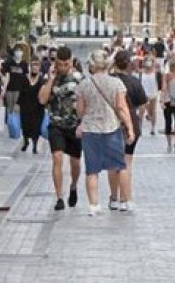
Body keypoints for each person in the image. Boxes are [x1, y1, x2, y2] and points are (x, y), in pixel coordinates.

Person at [75, 50, 135, 216]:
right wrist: (130, 127)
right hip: (112, 128)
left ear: (92, 65)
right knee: (120, 166)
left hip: (90, 130)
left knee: (92, 170)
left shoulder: (84, 85)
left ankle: (93, 205)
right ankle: (126, 201)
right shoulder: (116, 83)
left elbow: (79, 111)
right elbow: (122, 108)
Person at [39, 45, 83, 211]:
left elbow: (86, 101)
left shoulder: (79, 78)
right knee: (57, 157)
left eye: (65, 64)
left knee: (75, 162)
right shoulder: (50, 77)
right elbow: (42, 100)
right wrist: (50, 79)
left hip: (74, 126)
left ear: (70, 62)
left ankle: (73, 186)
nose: (62, 68)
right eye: (59, 64)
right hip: (56, 124)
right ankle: (59, 197)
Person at [108, 50, 147, 212]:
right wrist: (139, 121)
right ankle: (126, 199)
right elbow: (142, 104)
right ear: (129, 64)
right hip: (131, 122)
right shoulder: (134, 82)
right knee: (126, 162)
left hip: (111, 124)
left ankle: (114, 197)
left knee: (112, 163)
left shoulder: (109, 82)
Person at [18, 60, 45, 154]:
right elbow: (20, 92)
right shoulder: (24, 78)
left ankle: (34, 145)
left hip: (37, 108)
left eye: (36, 67)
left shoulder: (42, 80)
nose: (34, 68)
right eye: (33, 67)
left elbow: (44, 93)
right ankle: (26, 142)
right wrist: (17, 105)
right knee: (25, 125)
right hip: (25, 106)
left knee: (36, 126)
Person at [1, 44, 28, 120]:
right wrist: (4, 90)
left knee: (17, 109)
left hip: (20, 90)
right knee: (9, 109)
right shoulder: (9, 63)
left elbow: (26, 78)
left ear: (22, 52)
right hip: (10, 90)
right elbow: (7, 77)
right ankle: (10, 123)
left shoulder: (24, 64)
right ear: (14, 52)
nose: (18, 53)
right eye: (17, 51)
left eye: (20, 51)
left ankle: (16, 125)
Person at [139, 58, 160, 135]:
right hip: (143, 94)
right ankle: (139, 127)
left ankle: (153, 128)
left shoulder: (156, 73)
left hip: (153, 94)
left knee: (152, 112)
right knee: (141, 111)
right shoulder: (141, 73)